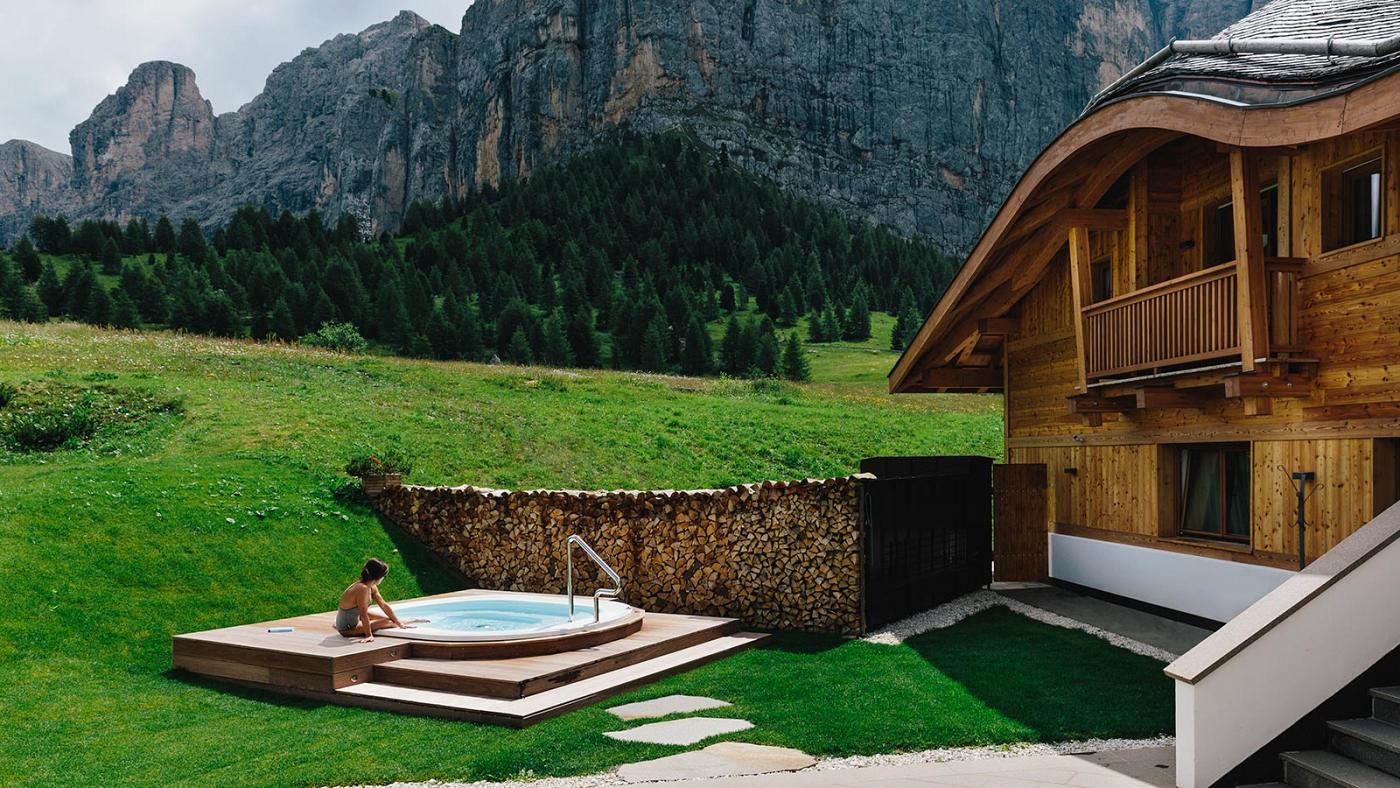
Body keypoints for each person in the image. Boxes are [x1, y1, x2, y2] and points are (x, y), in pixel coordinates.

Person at [335, 558, 407, 642]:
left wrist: (398, 622)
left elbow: (383, 605)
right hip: (347, 628)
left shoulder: (371, 586)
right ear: (378, 576)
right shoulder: (362, 588)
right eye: (384, 576)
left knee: (392, 620)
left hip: (355, 616)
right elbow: (363, 614)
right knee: (388, 622)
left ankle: (402, 622)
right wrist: (369, 635)